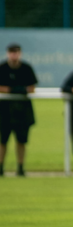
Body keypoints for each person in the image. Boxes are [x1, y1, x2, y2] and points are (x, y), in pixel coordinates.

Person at [0, 44, 38, 177]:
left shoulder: (26, 68)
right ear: (7, 53)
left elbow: (32, 88)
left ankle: (20, 167)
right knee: (3, 140)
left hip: (23, 111)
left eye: (16, 52)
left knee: (21, 140)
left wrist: (10, 89)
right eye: (11, 52)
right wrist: (19, 90)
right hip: (5, 111)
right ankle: (1, 167)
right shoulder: (2, 68)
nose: (13, 55)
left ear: (20, 53)